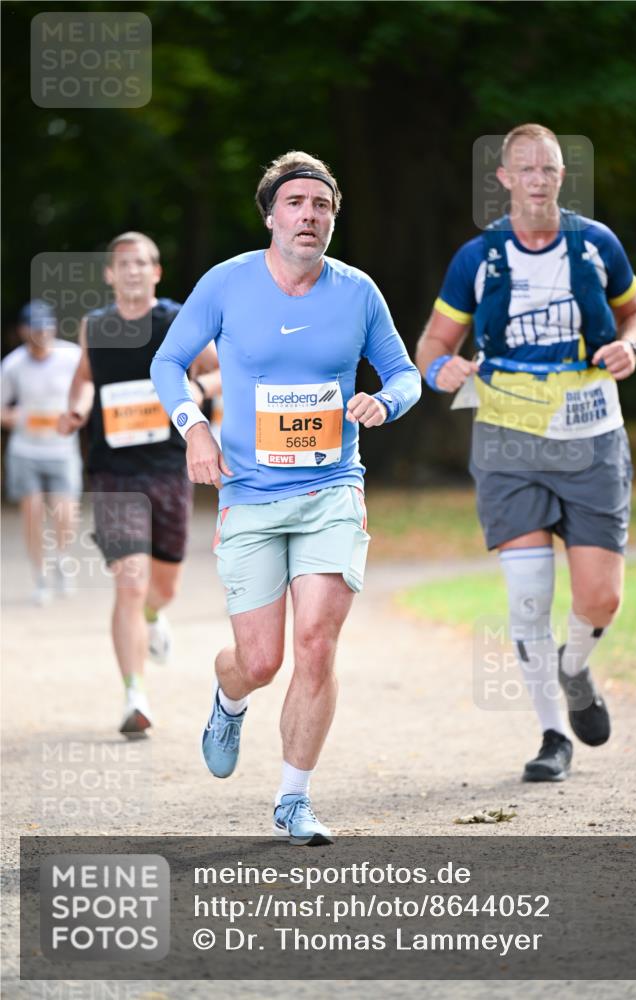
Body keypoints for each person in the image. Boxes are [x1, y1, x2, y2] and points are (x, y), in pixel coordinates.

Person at [151, 151, 421, 845]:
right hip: (249, 494)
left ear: (332, 220)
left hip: (332, 487)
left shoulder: (357, 292)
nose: (309, 215)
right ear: (271, 216)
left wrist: (385, 402)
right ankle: (229, 696)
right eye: (296, 203)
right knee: (260, 660)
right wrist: (195, 428)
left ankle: (293, 800)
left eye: (321, 205)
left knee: (316, 643)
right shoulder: (227, 283)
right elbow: (168, 361)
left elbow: (404, 373)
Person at [416, 124, 636, 782]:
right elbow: (433, 344)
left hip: (592, 437)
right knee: (527, 600)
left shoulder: (596, 244)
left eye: (547, 168)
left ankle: (573, 668)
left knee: (600, 599)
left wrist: (631, 347)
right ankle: (552, 735)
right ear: (503, 179)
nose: (537, 179)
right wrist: (441, 371)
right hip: (508, 441)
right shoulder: (478, 258)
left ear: (560, 176)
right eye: (525, 169)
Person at [58, 232, 220, 738]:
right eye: (123, 263)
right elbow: (85, 379)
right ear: (110, 274)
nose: (132, 270)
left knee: (163, 586)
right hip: (114, 472)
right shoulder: (95, 325)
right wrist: (77, 408)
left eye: (142, 262)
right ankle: (135, 695)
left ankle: (154, 615)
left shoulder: (177, 321)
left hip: (170, 465)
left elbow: (221, 371)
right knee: (129, 580)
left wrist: (198, 388)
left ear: (156, 272)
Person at [1, 300, 82, 605]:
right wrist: (13, 417)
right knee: (32, 513)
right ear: (24, 331)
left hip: (62, 450)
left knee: (65, 512)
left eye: (47, 326)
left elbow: (87, 389)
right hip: (25, 451)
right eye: (36, 328)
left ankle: (61, 556)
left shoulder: (71, 356)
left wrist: (76, 413)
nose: (42, 333)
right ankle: (40, 576)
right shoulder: (13, 365)